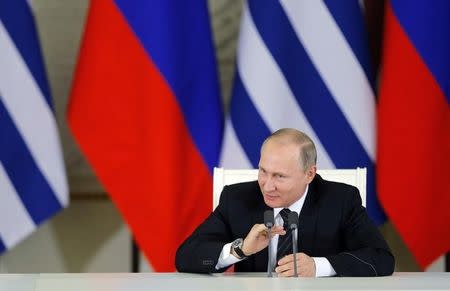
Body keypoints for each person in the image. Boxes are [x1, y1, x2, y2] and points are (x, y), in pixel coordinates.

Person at [175, 128, 394, 277]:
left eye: (280, 176)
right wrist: (239, 249)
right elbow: (185, 257)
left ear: (309, 174)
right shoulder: (237, 199)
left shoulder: (341, 200)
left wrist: (318, 266)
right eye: (263, 171)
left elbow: (381, 259)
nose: (267, 186)